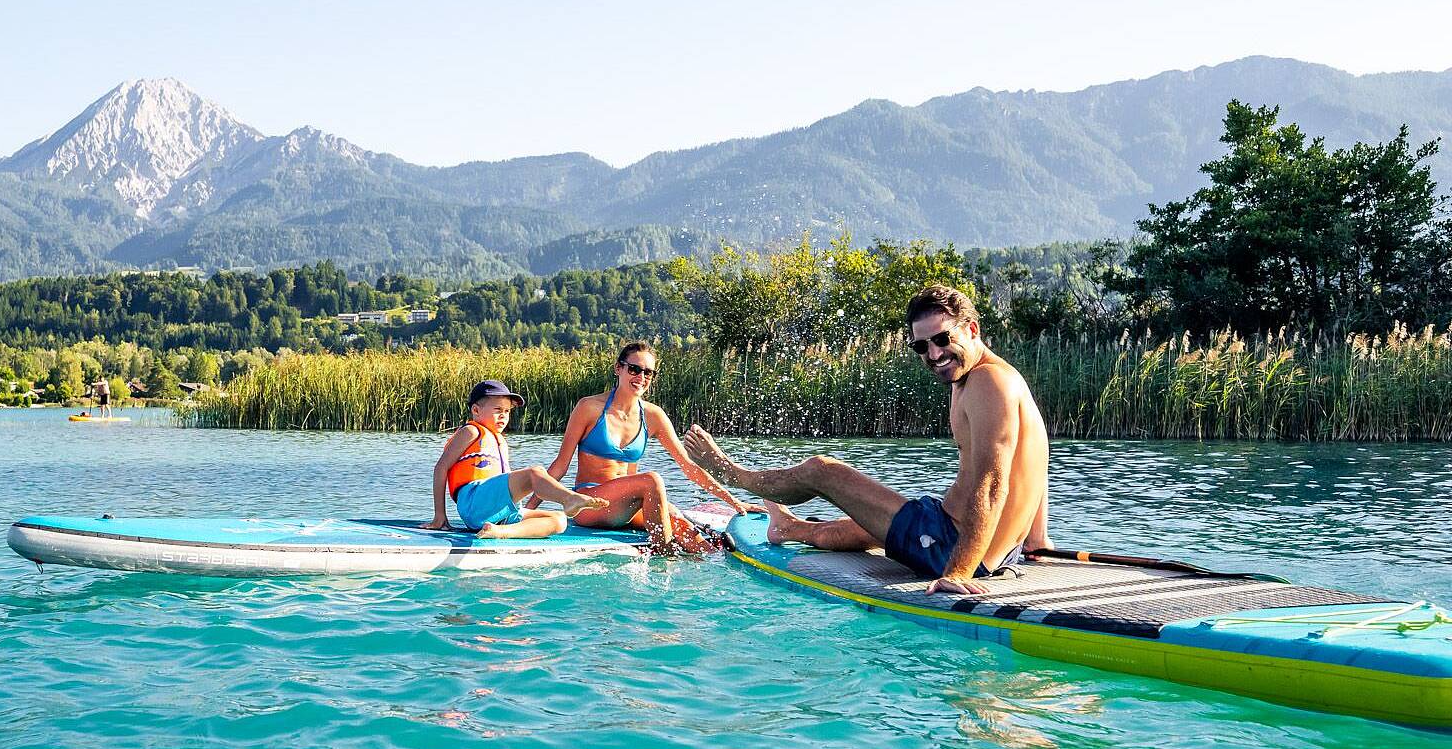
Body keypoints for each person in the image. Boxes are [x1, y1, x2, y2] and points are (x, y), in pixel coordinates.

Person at [684, 284, 1051, 595]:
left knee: (821, 471)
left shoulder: (988, 383)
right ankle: (790, 528)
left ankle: (731, 474)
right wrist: (1037, 539)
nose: (934, 354)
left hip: (952, 546)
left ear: (971, 329)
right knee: (866, 528)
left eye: (942, 339)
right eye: (922, 347)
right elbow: (1035, 459)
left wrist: (957, 573)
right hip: (979, 541)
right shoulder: (1000, 377)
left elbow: (991, 485)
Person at [546, 341, 749, 553]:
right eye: (634, 369)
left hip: (628, 508)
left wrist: (734, 502)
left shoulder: (653, 416)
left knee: (682, 525)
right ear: (618, 368)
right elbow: (560, 466)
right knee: (651, 480)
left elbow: (688, 466)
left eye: (648, 373)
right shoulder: (589, 408)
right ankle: (665, 557)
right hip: (590, 506)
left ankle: (709, 562)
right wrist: (524, 511)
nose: (641, 378)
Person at [427, 380, 610, 539]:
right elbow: (441, 468)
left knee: (559, 520)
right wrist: (440, 516)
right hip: (474, 503)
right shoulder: (471, 432)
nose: (503, 416)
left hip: (498, 512)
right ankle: (569, 498)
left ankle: (501, 532)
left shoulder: (500, 442)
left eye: (507, 411)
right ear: (476, 410)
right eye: (498, 410)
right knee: (534, 473)